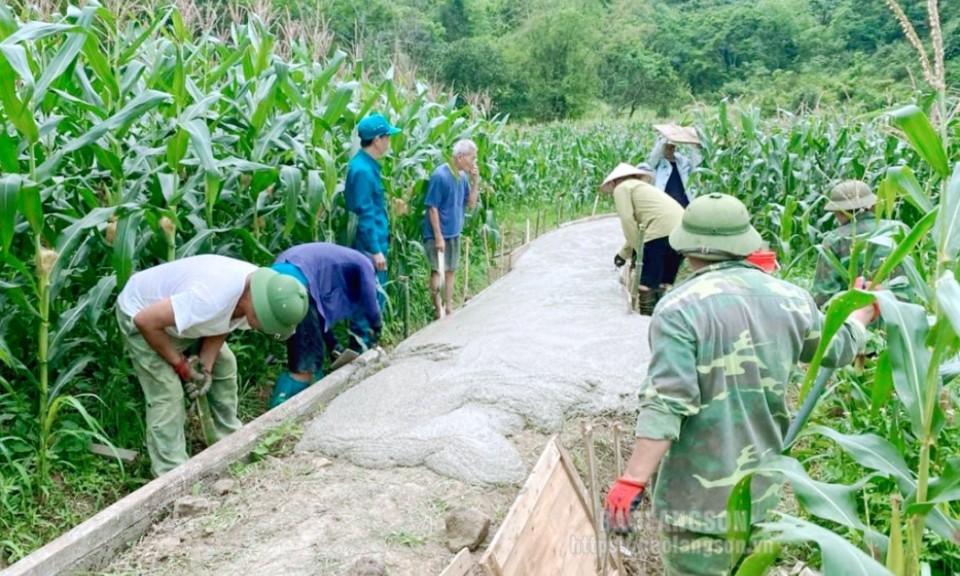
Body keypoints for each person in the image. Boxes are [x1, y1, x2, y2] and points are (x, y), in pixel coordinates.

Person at [603, 193, 878, 575]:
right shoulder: (792, 299)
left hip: (697, 507)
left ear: (685, 246)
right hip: (759, 496)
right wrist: (861, 314)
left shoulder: (679, 309)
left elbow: (667, 403)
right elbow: (839, 348)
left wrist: (632, 480)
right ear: (745, 243)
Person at [116, 255, 309, 477]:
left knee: (224, 365)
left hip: (182, 318)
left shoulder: (260, 290)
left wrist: (204, 367)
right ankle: (171, 473)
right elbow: (145, 321)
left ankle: (228, 439)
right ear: (258, 306)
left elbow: (225, 320)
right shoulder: (210, 297)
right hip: (142, 316)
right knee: (168, 393)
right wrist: (180, 366)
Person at [268, 243, 383, 408]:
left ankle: (293, 398)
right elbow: (370, 300)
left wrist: (334, 346)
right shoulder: (364, 263)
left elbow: (318, 317)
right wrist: (376, 326)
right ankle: (279, 410)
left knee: (304, 350)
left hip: (275, 282)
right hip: (294, 286)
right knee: (307, 364)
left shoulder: (335, 260)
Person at [345, 112, 401, 349]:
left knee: (370, 294)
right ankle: (361, 347)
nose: (389, 141)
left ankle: (368, 345)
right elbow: (365, 214)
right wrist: (376, 250)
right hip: (370, 245)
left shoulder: (366, 166)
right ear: (377, 140)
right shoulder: (363, 171)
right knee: (368, 295)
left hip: (374, 241)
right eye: (387, 136)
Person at [601, 162, 684, 315]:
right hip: (682, 231)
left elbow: (627, 220)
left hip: (659, 233)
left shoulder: (621, 188)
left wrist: (638, 251)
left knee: (646, 284)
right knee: (663, 283)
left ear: (613, 182)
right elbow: (641, 228)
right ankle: (661, 319)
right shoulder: (644, 189)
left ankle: (645, 321)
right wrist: (623, 254)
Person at [812, 180, 907, 308]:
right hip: (903, 313)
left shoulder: (834, 240)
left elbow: (825, 293)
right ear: (873, 206)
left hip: (858, 316)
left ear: (839, 212)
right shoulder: (899, 230)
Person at [422, 139, 480, 318]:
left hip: (454, 232)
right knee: (437, 270)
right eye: (472, 158)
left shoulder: (462, 177)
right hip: (437, 233)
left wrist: (476, 181)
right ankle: (438, 309)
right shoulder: (440, 176)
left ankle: (448, 308)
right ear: (460, 157)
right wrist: (438, 237)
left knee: (450, 270)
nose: (474, 162)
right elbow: (432, 207)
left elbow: (470, 203)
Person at [647, 125, 702, 208]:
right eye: (667, 148)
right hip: (666, 203)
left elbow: (697, 168)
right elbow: (652, 159)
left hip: (683, 202)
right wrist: (665, 137)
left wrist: (696, 149)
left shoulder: (682, 161)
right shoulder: (659, 163)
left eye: (672, 148)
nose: (669, 150)